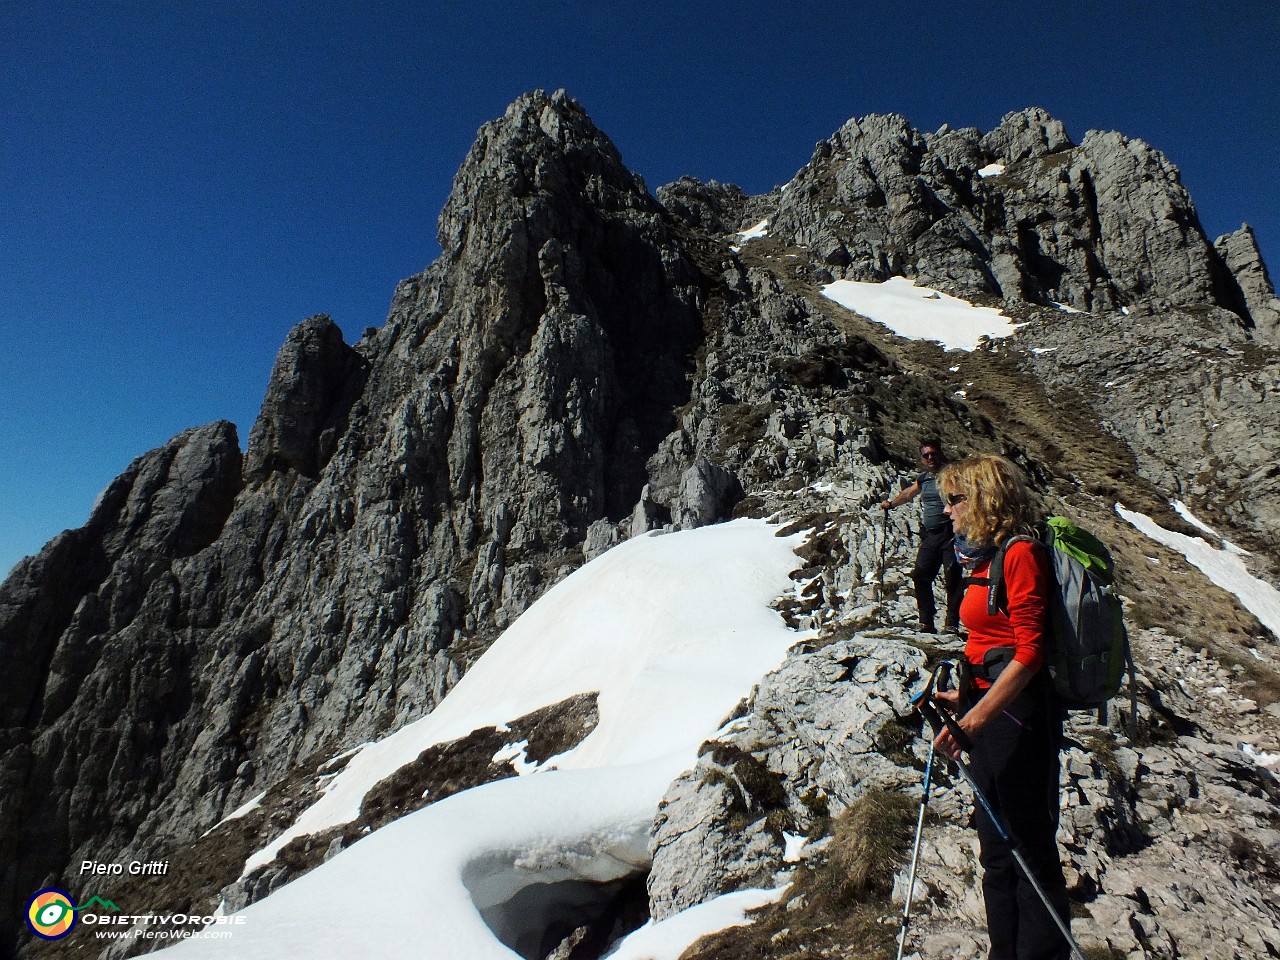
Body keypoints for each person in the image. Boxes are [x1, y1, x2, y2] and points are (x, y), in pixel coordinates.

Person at [931, 453, 1069, 960]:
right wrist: (962, 697)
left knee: (1028, 850)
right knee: (996, 851)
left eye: (955, 500)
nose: (947, 511)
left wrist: (971, 720)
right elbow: (992, 642)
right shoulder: (984, 558)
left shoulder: (1020, 555)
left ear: (984, 499)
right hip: (989, 706)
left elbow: (1030, 654)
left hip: (1019, 718)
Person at [879, 439, 963, 634]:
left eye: (933, 453)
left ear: (940, 454)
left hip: (951, 534)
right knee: (920, 576)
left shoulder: (952, 475)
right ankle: (926, 621)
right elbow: (909, 493)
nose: (930, 458)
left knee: (952, 579)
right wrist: (891, 504)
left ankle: (951, 624)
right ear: (922, 459)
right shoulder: (924, 479)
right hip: (931, 536)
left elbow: (964, 495)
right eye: (926, 455)